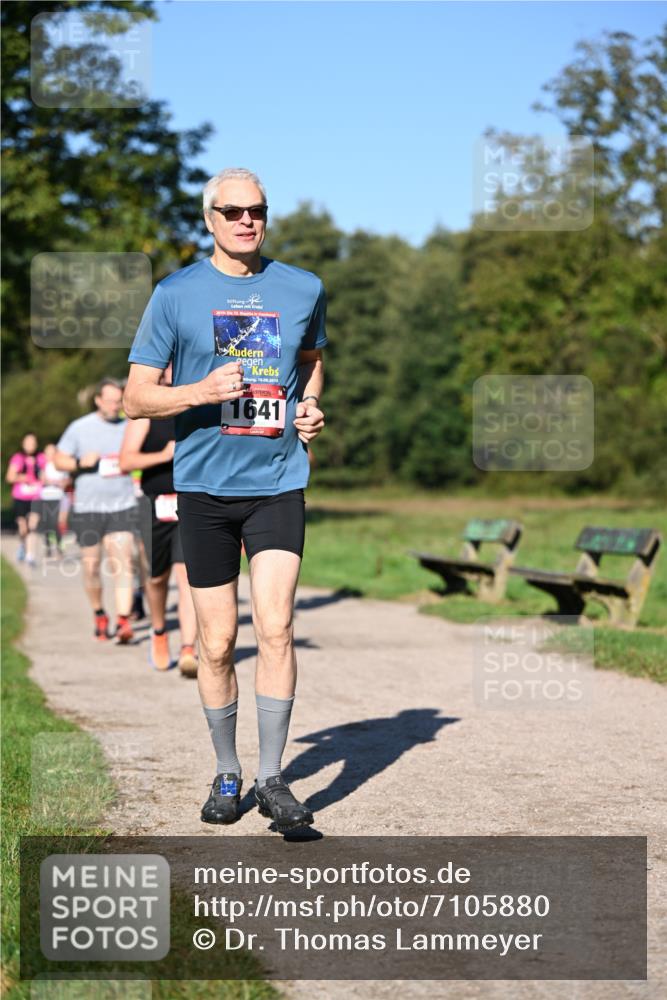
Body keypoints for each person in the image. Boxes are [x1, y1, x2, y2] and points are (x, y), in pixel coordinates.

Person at [124, 167, 326, 832]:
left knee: (276, 629)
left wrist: (311, 406)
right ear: (209, 219)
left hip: (276, 482)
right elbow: (136, 396)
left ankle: (271, 779)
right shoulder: (175, 295)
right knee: (215, 643)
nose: (247, 220)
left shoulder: (302, 288)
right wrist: (198, 393)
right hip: (205, 489)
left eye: (257, 210)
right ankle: (226, 769)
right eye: (233, 210)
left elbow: (308, 357)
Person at [119, 363, 198, 674]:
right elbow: (126, 460)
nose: (169, 370)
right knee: (156, 577)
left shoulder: (194, 405)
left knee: (188, 575)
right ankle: (159, 630)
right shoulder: (146, 414)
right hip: (154, 503)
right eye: (164, 366)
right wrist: (164, 455)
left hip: (190, 502)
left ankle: (189, 647)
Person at [55, 378, 139, 643]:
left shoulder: (130, 427)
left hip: (122, 505)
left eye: (119, 401)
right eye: (111, 401)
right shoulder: (80, 428)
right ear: (98, 400)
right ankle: (99, 613)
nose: (116, 406)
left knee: (123, 563)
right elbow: (58, 459)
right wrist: (80, 462)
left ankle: (123, 620)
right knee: (91, 567)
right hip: (88, 508)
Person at [6, 433, 44, 566]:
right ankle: (23, 545)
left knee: (33, 526)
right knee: (23, 528)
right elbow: (10, 477)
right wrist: (24, 478)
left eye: (33, 443)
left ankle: (30, 555)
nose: (31, 445)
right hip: (20, 497)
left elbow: (45, 476)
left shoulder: (40, 458)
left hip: (36, 496)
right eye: (28, 442)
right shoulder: (18, 458)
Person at [38, 443, 71, 557]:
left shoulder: (61, 466)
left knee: (54, 523)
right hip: (45, 497)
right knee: (46, 523)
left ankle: (59, 546)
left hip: (57, 497)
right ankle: (48, 546)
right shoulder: (44, 466)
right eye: (48, 453)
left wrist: (60, 483)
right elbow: (42, 480)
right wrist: (49, 481)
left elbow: (67, 480)